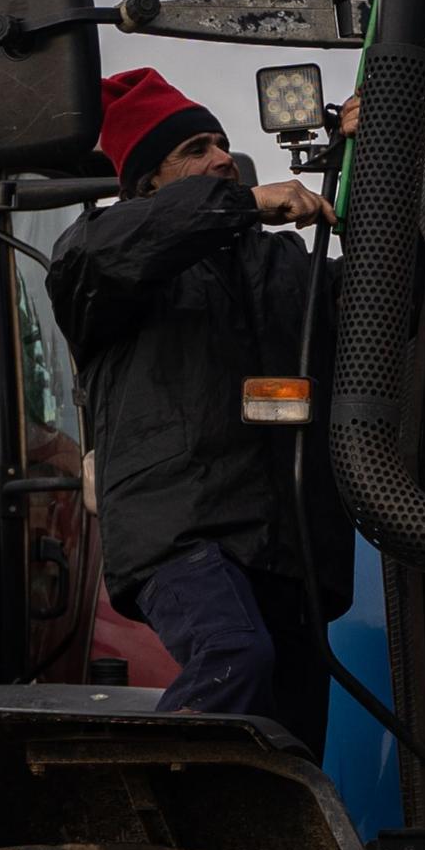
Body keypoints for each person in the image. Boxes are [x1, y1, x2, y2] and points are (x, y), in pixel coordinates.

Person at [47, 68, 349, 750]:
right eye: (195, 149)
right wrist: (243, 203)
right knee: (233, 658)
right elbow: (126, 244)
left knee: (292, 734)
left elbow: (390, 292)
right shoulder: (97, 262)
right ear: (147, 181)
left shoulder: (284, 267)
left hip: (287, 543)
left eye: (222, 144)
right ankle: (165, 822)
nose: (220, 158)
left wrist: (382, 148)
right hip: (182, 534)